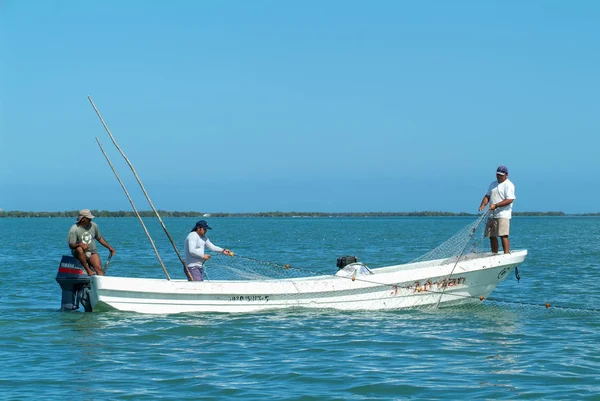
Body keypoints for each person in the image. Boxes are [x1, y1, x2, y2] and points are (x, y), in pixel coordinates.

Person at [478, 165, 516, 254]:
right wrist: (482, 205)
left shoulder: (509, 185)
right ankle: (494, 253)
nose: (499, 176)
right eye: (498, 174)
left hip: (503, 214)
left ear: (506, 175)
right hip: (491, 214)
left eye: (501, 175)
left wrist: (496, 205)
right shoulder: (493, 184)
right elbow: (487, 196)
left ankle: (506, 254)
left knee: (503, 235)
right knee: (491, 236)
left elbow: (510, 199)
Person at [67, 209, 116, 276]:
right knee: (79, 249)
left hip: (92, 251)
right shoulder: (74, 229)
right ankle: (88, 270)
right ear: (82, 219)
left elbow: (99, 238)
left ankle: (100, 284)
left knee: (98, 268)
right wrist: (80, 244)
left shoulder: (94, 225)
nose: (91, 219)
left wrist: (109, 247)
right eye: (89, 218)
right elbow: (71, 245)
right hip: (79, 253)